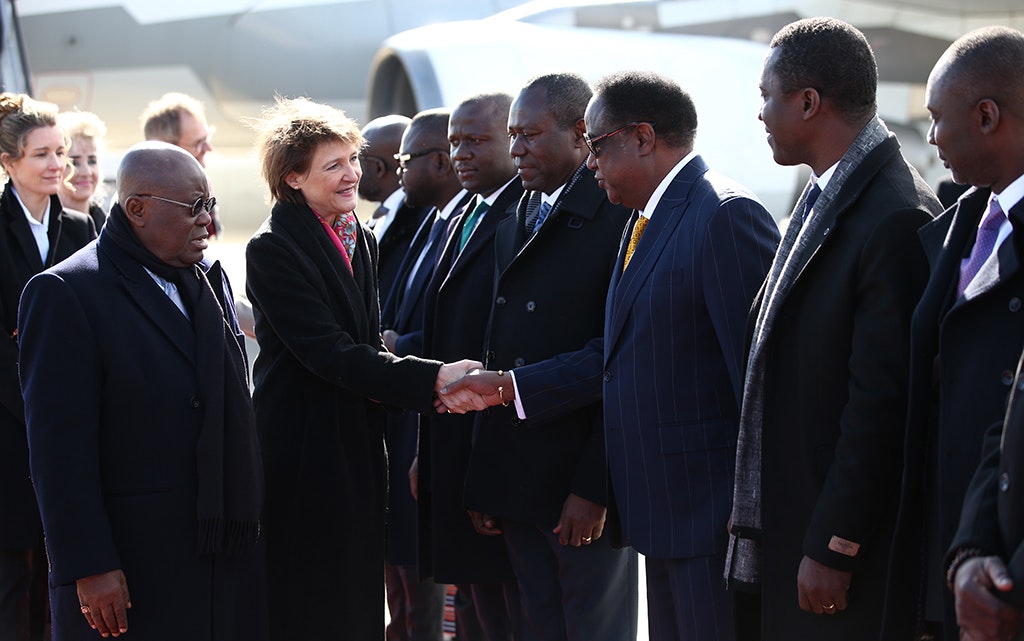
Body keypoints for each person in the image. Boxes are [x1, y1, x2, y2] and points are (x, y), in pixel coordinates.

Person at [443, 70, 780, 641]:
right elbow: (618, 356)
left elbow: (759, 384)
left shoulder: (722, 214)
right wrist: (509, 386)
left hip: (707, 517)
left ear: (643, 137)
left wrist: (746, 519)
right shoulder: (647, 217)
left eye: (597, 145)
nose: (590, 161)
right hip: (663, 512)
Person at [724, 17, 941, 640]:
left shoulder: (893, 215)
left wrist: (834, 546)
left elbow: (881, 406)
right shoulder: (822, 197)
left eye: (768, 97)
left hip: (832, 551)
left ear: (809, 102)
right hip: (788, 522)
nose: (761, 114)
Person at [243, 97, 480, 641]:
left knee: (356, 599)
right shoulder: (273, 247)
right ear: (293, 178)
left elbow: (367, 343)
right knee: (309, 600)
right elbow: (327, 351)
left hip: (355, 441)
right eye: (334, 165)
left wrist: (423, 380)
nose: (352, 174)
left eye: (353, 159)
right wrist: (431, 379)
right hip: (303, 452)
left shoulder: (358, 236)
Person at [19, 141, 263, 641]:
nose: (207, 222)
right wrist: (89, 565)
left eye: (211, 206)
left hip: (212, 558)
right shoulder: (68, 292)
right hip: (127, 568)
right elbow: (58, 452)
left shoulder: (205, 280)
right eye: (195, 207)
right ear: (137, 209)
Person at [460, 72, 637, 641]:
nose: (516, 150)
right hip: (519, 483)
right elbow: (500, 343)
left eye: (531, 135)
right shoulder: (518, 213)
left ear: (581, 134)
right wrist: (487, 480)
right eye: (512, 135)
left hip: (577, 489)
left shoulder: (618, 217)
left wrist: (595, 486)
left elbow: (620, 362)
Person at [915, 26, 1024, 641]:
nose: (930, 137)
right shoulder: (962, 224)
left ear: (987, 116)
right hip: (951, 556)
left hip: (1002, 570)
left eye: (937, 118)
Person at [420, 92, 525, 641]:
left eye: (477, 140)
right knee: (477, 617)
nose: (461, 152)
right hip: (451, 444)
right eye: (454, 141)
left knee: (505, 619)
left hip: (492, 448)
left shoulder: (524, 213)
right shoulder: (464, 208)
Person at [0, 92, 96, 641]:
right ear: (10, 162)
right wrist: (34, 398)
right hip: (11, 425)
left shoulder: (82, 230)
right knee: (13, 574)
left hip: (67, 426)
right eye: (41, 154)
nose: (58, 164)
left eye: (60, 151)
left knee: (61, 571)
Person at [379, 109, 468, 641]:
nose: (399, 171)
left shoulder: (465, 222)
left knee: (430, 601)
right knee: (405, 592)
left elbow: (463, 329)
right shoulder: (437, 222)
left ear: (437, 162)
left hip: (432, 417)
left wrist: (398, 345)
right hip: (406, 421)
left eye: (405, 161)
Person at [359, 115, 430, 300]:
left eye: (356, 159)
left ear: (378, 167)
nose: (351, 171)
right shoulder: (375, 221)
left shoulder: (425, 222)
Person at [140, 92, 220, 236]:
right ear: (165, 148)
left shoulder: (201, 190)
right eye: (198, 143)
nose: (208, 148)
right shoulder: (152, 208)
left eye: (207, 138)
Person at [57, 110, 109, 230]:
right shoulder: (43, 229)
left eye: (92, 161)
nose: (87, 172)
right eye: (73, 162)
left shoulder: (110, 227)